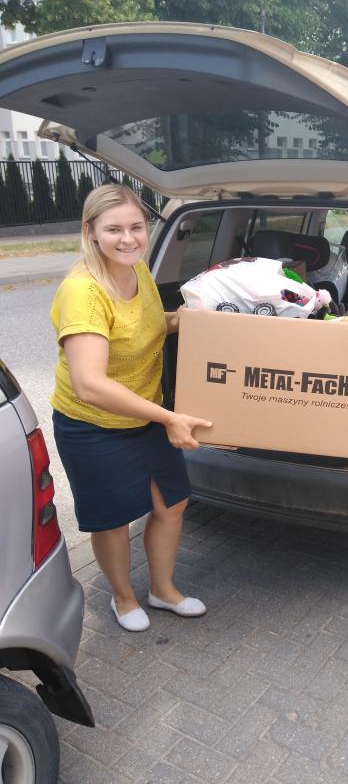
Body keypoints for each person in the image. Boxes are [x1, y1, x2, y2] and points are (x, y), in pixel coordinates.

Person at [51, 184, 211, 632]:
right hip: (94, 424)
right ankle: (123, 598)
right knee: (113, 520)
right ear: (91, 231)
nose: (128, 239)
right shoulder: (83, 291)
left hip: (145, 413)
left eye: (136, 227)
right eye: (114, 229)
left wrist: (195, 321)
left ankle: (162, 590)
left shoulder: (137, 269)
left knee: (172, 503)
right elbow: (89, 384)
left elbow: (149, 325)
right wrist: (169, 417)